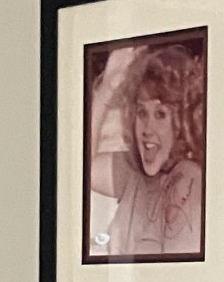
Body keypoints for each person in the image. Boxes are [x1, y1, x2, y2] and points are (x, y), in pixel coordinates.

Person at [88, 42, 205, 258]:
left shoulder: (188, 179)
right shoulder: (135, 173)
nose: (147, 129)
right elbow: (79, 172)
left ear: (182, 122)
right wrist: (107, 89)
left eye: (160, 114)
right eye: (142, 113)